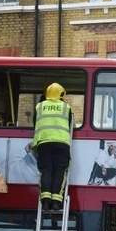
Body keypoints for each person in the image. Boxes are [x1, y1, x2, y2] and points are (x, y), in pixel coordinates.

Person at [32, 82, 73, 210]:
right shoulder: (66, 107)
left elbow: (35, 123)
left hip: (43, 143)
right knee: (59, 171)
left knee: (46, 170)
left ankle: (45, 202)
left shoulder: (39, 106)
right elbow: (70, 124)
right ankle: (56, 202)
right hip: (62, 143)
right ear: (60, 94)